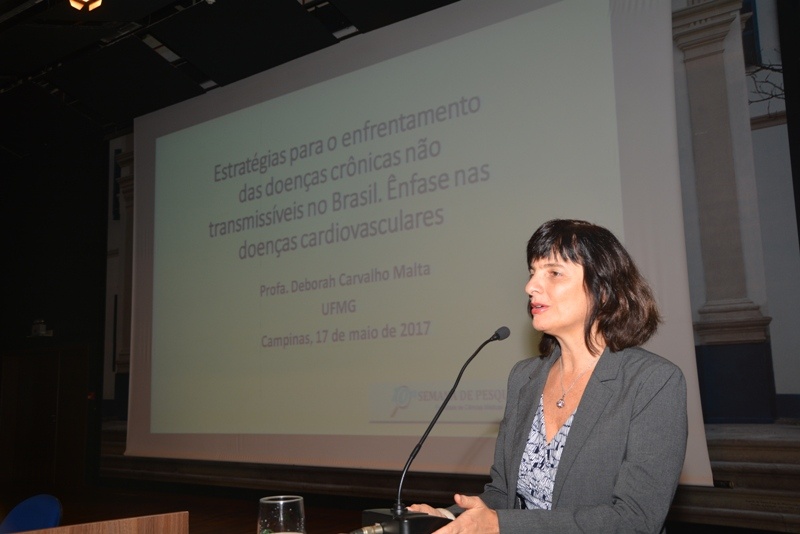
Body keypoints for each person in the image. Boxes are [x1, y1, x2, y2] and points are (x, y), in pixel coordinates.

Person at [409, 219, 687, 533]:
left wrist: (501, 525)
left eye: (553, 273)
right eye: (532, 272)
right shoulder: (524, 377)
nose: (530, 287)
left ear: (604, 289)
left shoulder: (653, 382)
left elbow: (636, 520)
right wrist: (451, 519)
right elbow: (504, 495)